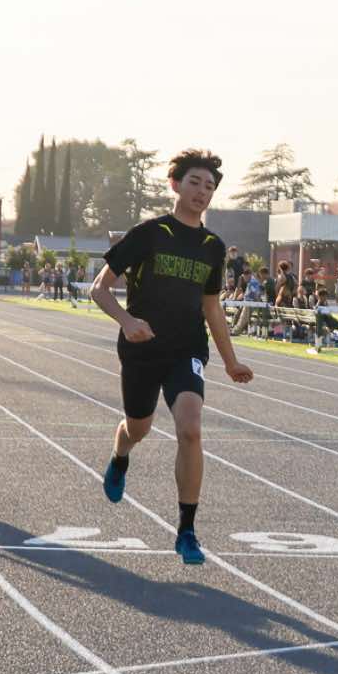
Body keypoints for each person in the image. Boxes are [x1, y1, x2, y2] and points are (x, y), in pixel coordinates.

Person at [91, 149, 256, 565]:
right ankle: (120, 456)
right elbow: (99, 288)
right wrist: (127, 321)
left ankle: (187, 531)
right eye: (195, 182)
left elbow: (212, 307)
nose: (202, 192)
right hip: (142, 349)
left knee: (191, 430)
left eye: (209, 187)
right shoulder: (149, 233)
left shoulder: (212, 247)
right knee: (138, 428)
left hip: (187, 350)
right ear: (176, 185)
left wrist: (231, 360)